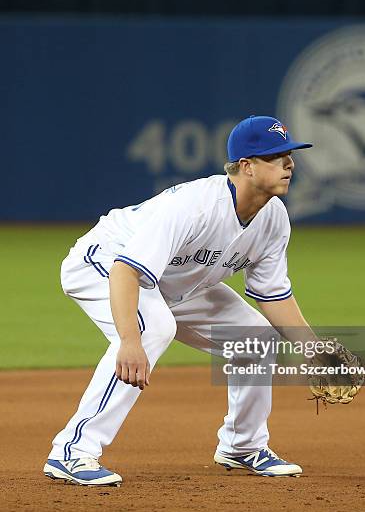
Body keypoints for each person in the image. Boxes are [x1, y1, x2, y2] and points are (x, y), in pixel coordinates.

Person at [43, 115, 317, 486]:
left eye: (289, 155)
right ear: (247, 167)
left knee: (254, 336)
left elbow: (273, 296)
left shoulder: (273, 219)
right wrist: (129, 339)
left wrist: (317, 350)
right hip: (105, 261)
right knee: (154, 327)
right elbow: (126, 270)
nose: (289, 164)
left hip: (171, 282)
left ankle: (243, 445)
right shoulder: (196, 206)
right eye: (276, 156)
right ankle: (72, 451)